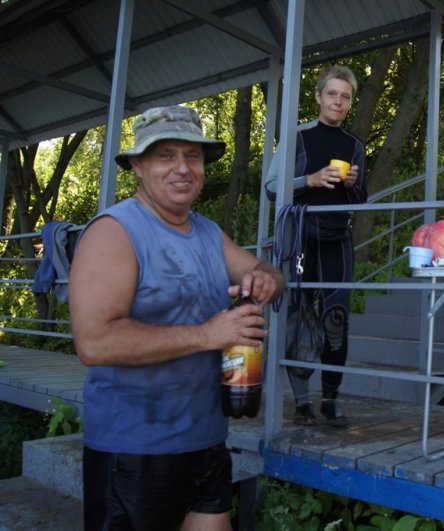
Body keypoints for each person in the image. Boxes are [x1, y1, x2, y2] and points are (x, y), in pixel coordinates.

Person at [69, 105, 284, 530]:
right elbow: (94, 344)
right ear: (138, 164)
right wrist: (208, 334)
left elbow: (268, 271)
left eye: (193, 156)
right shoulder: (113, 232)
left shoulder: (205, 231)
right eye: (166, 155)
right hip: (135, 450)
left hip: (206, 443)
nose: (182, 168)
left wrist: (264, 281)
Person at [266, 65, 367, 428]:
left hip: (337, 239)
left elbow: (361, 200)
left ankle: (331, 398)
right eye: (332, 94)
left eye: (345, 96)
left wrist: (352, 183)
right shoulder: (297, 136)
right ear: (318, 96)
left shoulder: (355, 146)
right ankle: (302, 403)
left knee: (337, 320)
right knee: (298, 320)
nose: (338, 102)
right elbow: (271, 188)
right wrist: (309, 179)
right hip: (301, 237)